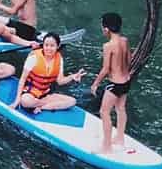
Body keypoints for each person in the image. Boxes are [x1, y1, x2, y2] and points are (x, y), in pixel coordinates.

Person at [9, 32, 86, 113]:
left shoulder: (59, 58)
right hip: (30, 92)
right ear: (43, 45)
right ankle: (43, 105)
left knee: (72, 101)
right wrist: (17, 100)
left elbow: (60, 81)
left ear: (58, 46)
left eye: (52, 46)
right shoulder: (34, 57)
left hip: (46, 94)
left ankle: (41, 107)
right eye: (46, 45)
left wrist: (72, 77)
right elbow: (22, 79)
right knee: (25, 101)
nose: (48, 48)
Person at [90, 12, 132, 153]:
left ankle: (106, 147)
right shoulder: (125, 41)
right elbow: (129, 60)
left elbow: (105, 69)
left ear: (106, 29)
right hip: (126, 81)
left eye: (102, 26)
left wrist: (95, 83)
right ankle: (120, 138)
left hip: (115, 84)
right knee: (121, 108)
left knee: (104, 112)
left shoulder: (108, 46)